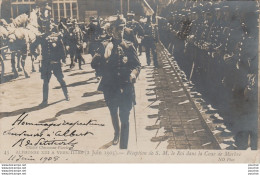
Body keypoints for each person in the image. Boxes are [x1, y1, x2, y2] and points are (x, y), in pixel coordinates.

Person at [91, 15, 141, 149]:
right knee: (113, 112)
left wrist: (133, 74)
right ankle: (116, 133)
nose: (121, 31)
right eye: (118, 29)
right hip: (110, 87)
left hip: (126, 86)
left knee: (125, 116)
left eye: (123, 28)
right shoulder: (105, 45)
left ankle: (123, 146)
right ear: (111, 30)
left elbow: (137, 65)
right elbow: (93, 65)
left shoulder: (128, 46)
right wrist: (102, 55)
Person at [31, 22, 69, 106]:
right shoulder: (41, 37)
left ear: (52, 28)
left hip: (56, 63)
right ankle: (45, 101)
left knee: (61, 79)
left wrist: (63, 59)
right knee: (45, 82)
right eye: (47, 27)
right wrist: (37, 55)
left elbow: (62, 48)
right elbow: (32, 46)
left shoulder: (57, 37)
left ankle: (66, 95)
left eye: (50, 27)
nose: (49, 29)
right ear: (45, 28)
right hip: (46, 64)